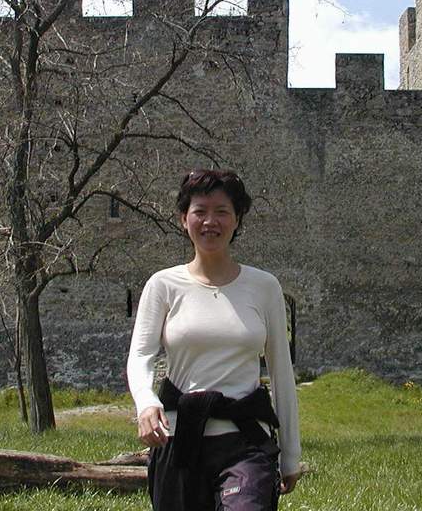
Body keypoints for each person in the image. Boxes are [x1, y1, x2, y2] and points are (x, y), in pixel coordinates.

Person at [127, 169, 301, 510]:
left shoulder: (264, 287)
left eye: (222, 211)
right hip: (179, 440)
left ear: (237, 220)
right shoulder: (163, 285)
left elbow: (282, 373)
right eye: (200, 211)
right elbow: (140, 355)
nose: (211, 221)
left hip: (246, 442)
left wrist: (291, 454)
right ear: (184, 219)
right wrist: (146, 403)